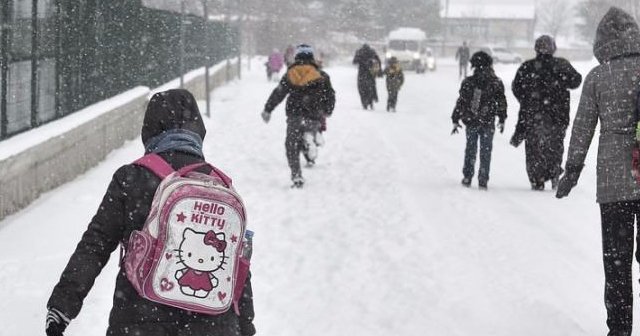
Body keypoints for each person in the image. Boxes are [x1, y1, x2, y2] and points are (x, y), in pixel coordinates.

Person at [45, 89, 256, 336]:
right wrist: (245, 324)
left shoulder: (131, 178)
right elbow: (236, 266)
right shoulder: (219, 186)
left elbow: (96, 244)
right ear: (197, 131)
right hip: (213, 326)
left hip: (140, 319)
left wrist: (62, 306)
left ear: (150, 129)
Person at [555, 7, 640, 336]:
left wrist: (571, 171)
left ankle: (619, 329)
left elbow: (582, 130)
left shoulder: (599, 76)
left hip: (615, 183)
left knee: (617, 263)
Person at [510, 35, 582, 190]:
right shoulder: (561, 65)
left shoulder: (527, 67)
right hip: (558, 115)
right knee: (555, 145)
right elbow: (576, 80)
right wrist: (561, 82)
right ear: (553, 48)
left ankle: (537, 178)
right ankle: (554, 171)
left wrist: (527, 99)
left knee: (534, 148)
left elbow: (516, 87)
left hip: (532, 115)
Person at [261, 44, 336, 188]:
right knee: (309, 131)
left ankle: (296, 175)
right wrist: (328, 110)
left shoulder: (290, 74)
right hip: (315, 114)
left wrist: (268, 109)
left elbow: (279, 93)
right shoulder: (322, 75)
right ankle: (312, 141)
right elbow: (330, 95)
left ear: (297, 56)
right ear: (312, 57)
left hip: (295, 114)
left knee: (291, 145)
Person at [451, 51, 507, 190]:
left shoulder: (469, 82)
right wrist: (502, 117)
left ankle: (467, 176)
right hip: (488, 121)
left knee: (470, 149)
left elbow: (461, 102)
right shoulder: (496, 82)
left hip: (471, 120)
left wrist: (456, 118)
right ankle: (483, 178)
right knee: (486, 151)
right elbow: (501, 101)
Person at [353, 44, 382, 110]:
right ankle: (371, 101)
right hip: (370, 73)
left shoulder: (359, 52)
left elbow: (354, 61)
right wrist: (379, 71)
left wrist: (361, 61)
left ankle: (364, 103)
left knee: (362, 89)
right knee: (371, 88)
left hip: (362, 73)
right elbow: (378, 61)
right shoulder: (372, 52)